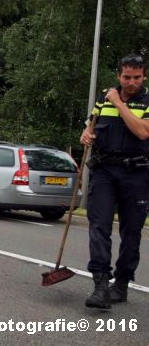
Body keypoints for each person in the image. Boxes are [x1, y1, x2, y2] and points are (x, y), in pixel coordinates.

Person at [80, 54, 149, 309]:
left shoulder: (145, 100)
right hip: (104, 171)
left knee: (131, 233)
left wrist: (119, 102)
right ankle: (100, 286)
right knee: (99, 227)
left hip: (137, 174)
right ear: (119, 76)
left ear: (144, 76)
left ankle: (120, 285)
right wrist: (86, 136)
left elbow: (143, 131)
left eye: (137, 77)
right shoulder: (102, 99)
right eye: (126, 77)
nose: (131, 82)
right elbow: (89, 128)